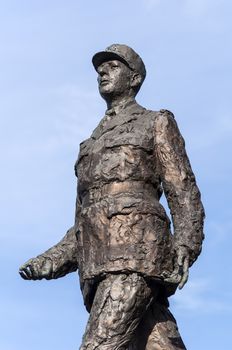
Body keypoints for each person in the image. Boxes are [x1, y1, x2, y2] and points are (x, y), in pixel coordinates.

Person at [19, 44, 205, 349]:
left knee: (99, 345)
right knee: (159, 343)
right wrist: (50, 260)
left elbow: (182, 189)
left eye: (113, 66)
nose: (102, 72)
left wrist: (185, 246)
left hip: (137, 255)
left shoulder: (155, 122)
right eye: (100, 69)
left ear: (135, 79)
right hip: (98, 263)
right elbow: (82, 220)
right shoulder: (89, 146)